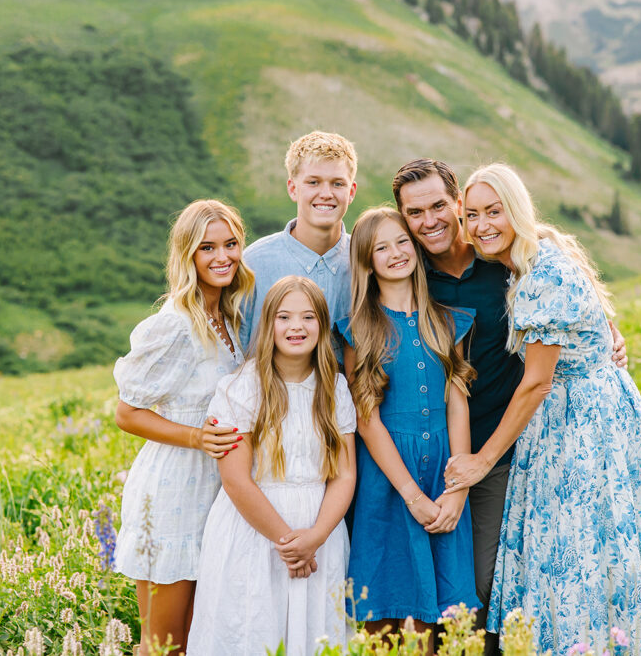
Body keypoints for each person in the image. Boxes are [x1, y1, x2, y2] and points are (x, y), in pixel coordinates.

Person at [392, 158, 628, 656]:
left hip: (509, 453)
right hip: (428, 455)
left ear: (456, 205)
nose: (430, 220)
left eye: (440, 206)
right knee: (423, 592)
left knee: (491, 587)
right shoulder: (405, 272)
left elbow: (568, 304)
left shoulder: (505, 260)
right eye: (416, 213)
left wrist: (609, 336)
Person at [446, 164, 641, 654]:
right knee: (591, 546)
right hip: (596, 408)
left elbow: (536, 382)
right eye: (473, 215)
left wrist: (480, 462)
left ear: (517, 210)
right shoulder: (542, 252)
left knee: (575, 547)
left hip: (579, 421)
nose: (484, 224)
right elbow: (593, 321)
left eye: (495, 211)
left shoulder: (539, 277)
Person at [112, 199, 255, 655]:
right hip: (173, 490)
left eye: (231, 244)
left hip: (217, 493)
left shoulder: (230, 316)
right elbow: (126, 412)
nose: (222, 257)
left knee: (202, 641)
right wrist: (197, 437)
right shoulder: (175, 323)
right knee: (164, 645)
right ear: (187, 255)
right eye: (207, 247)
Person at [186, 276, 357, 656]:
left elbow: (345, 475)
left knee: (316, 637)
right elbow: (235, 480)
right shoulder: (240, 388)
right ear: (268, 324)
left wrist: (314, 538)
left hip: (319, 533)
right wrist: (288, 543)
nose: (296, 327)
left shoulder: (335, 389)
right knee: (252, 630)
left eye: (308, 317)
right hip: (255, 532)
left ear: (322, 325)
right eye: (284, 317)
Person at [335, 207, 479, 653]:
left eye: (402, 241)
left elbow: (457, 404)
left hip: (443, 471)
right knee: (391, 609)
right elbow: (366, 419)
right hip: (388, 479)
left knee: (445, 611)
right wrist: (411, 495)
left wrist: (457, 487)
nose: (396, 253)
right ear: (366, 261)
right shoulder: (359, 329)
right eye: (381, 248)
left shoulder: (447, 320)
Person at [241, 131, 358, 358]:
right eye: (313, 182)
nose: (326, 194)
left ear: (351, 191)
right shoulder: (253, 263)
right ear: (293, 188)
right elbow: (236, 350)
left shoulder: (366, 259)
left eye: (337, 184)